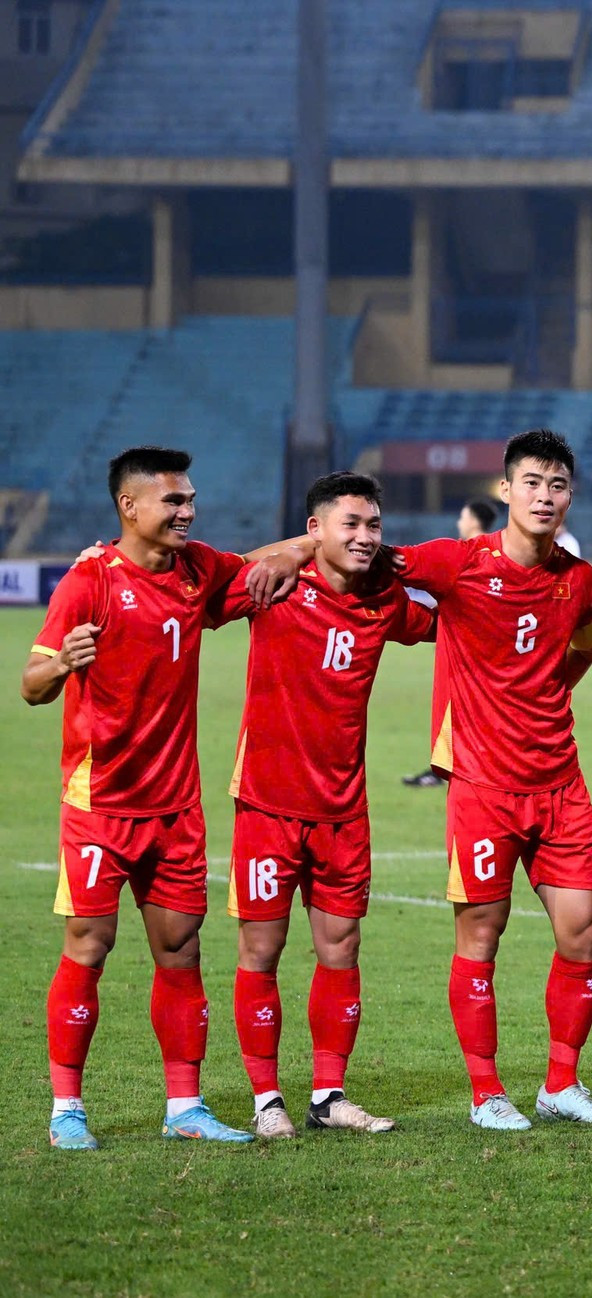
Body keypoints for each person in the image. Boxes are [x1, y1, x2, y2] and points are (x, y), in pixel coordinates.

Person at [23, 446, 297, 1148]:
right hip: (101, 804)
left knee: (180, 949)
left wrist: (321, 536)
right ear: (130, 507)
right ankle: (66, 1111)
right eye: (174, 502)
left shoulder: (197, 570)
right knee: (90, 943)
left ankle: (185, 1108)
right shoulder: (88, 583)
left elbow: (255, 564)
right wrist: (62, 663)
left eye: (190, 500)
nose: (188, 511)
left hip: (175, 808)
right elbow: (31, 684)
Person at [395, 429, 592, 1131]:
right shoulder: (457, 563)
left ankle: (560, 1084)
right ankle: (485, 1093)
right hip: (481, 784)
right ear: (507, 489)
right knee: (482, 934)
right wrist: (287, 554)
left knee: (582, 932)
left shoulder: (576, 577)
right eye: (531, 482)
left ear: (569, 496)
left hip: (559, 781)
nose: (544, 496)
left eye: (557, 485)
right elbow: (365, 559)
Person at [212, 472, 433, 1138]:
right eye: (351, 525)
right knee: (261, 948)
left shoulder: (386, 600)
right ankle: (265, 1099)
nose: (366, 537)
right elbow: (193, 579)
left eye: (374, 526)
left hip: (343, 812)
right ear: (315, 530)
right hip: (268, 804)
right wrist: (287, 554)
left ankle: (328, 1096)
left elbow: (455, 625)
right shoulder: (272, 585)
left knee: (341, 947)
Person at [404, 497, 500, 790]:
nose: (460, 521)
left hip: (469, 664)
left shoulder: (463, 558)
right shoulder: (502, 554)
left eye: (462, 515)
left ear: (472, 520)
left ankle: (448, 771)